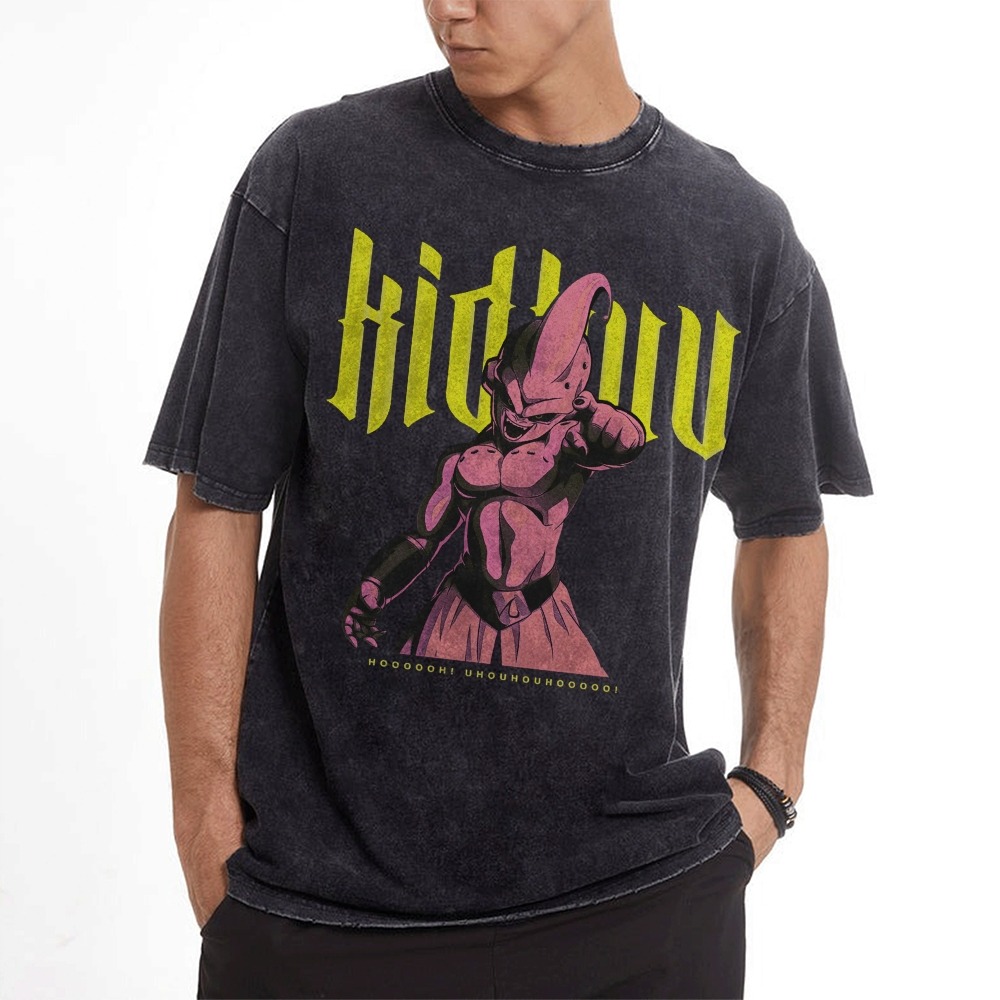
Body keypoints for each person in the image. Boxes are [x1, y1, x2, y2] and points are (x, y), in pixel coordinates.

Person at [144, 1, 872, 997]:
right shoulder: (318, 174)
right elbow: (218, 501)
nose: (452, 7)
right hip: (321, 911)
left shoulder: (734, 232)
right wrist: (204, 829)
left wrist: (771, 783)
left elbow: (784, 520)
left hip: (638, 902)